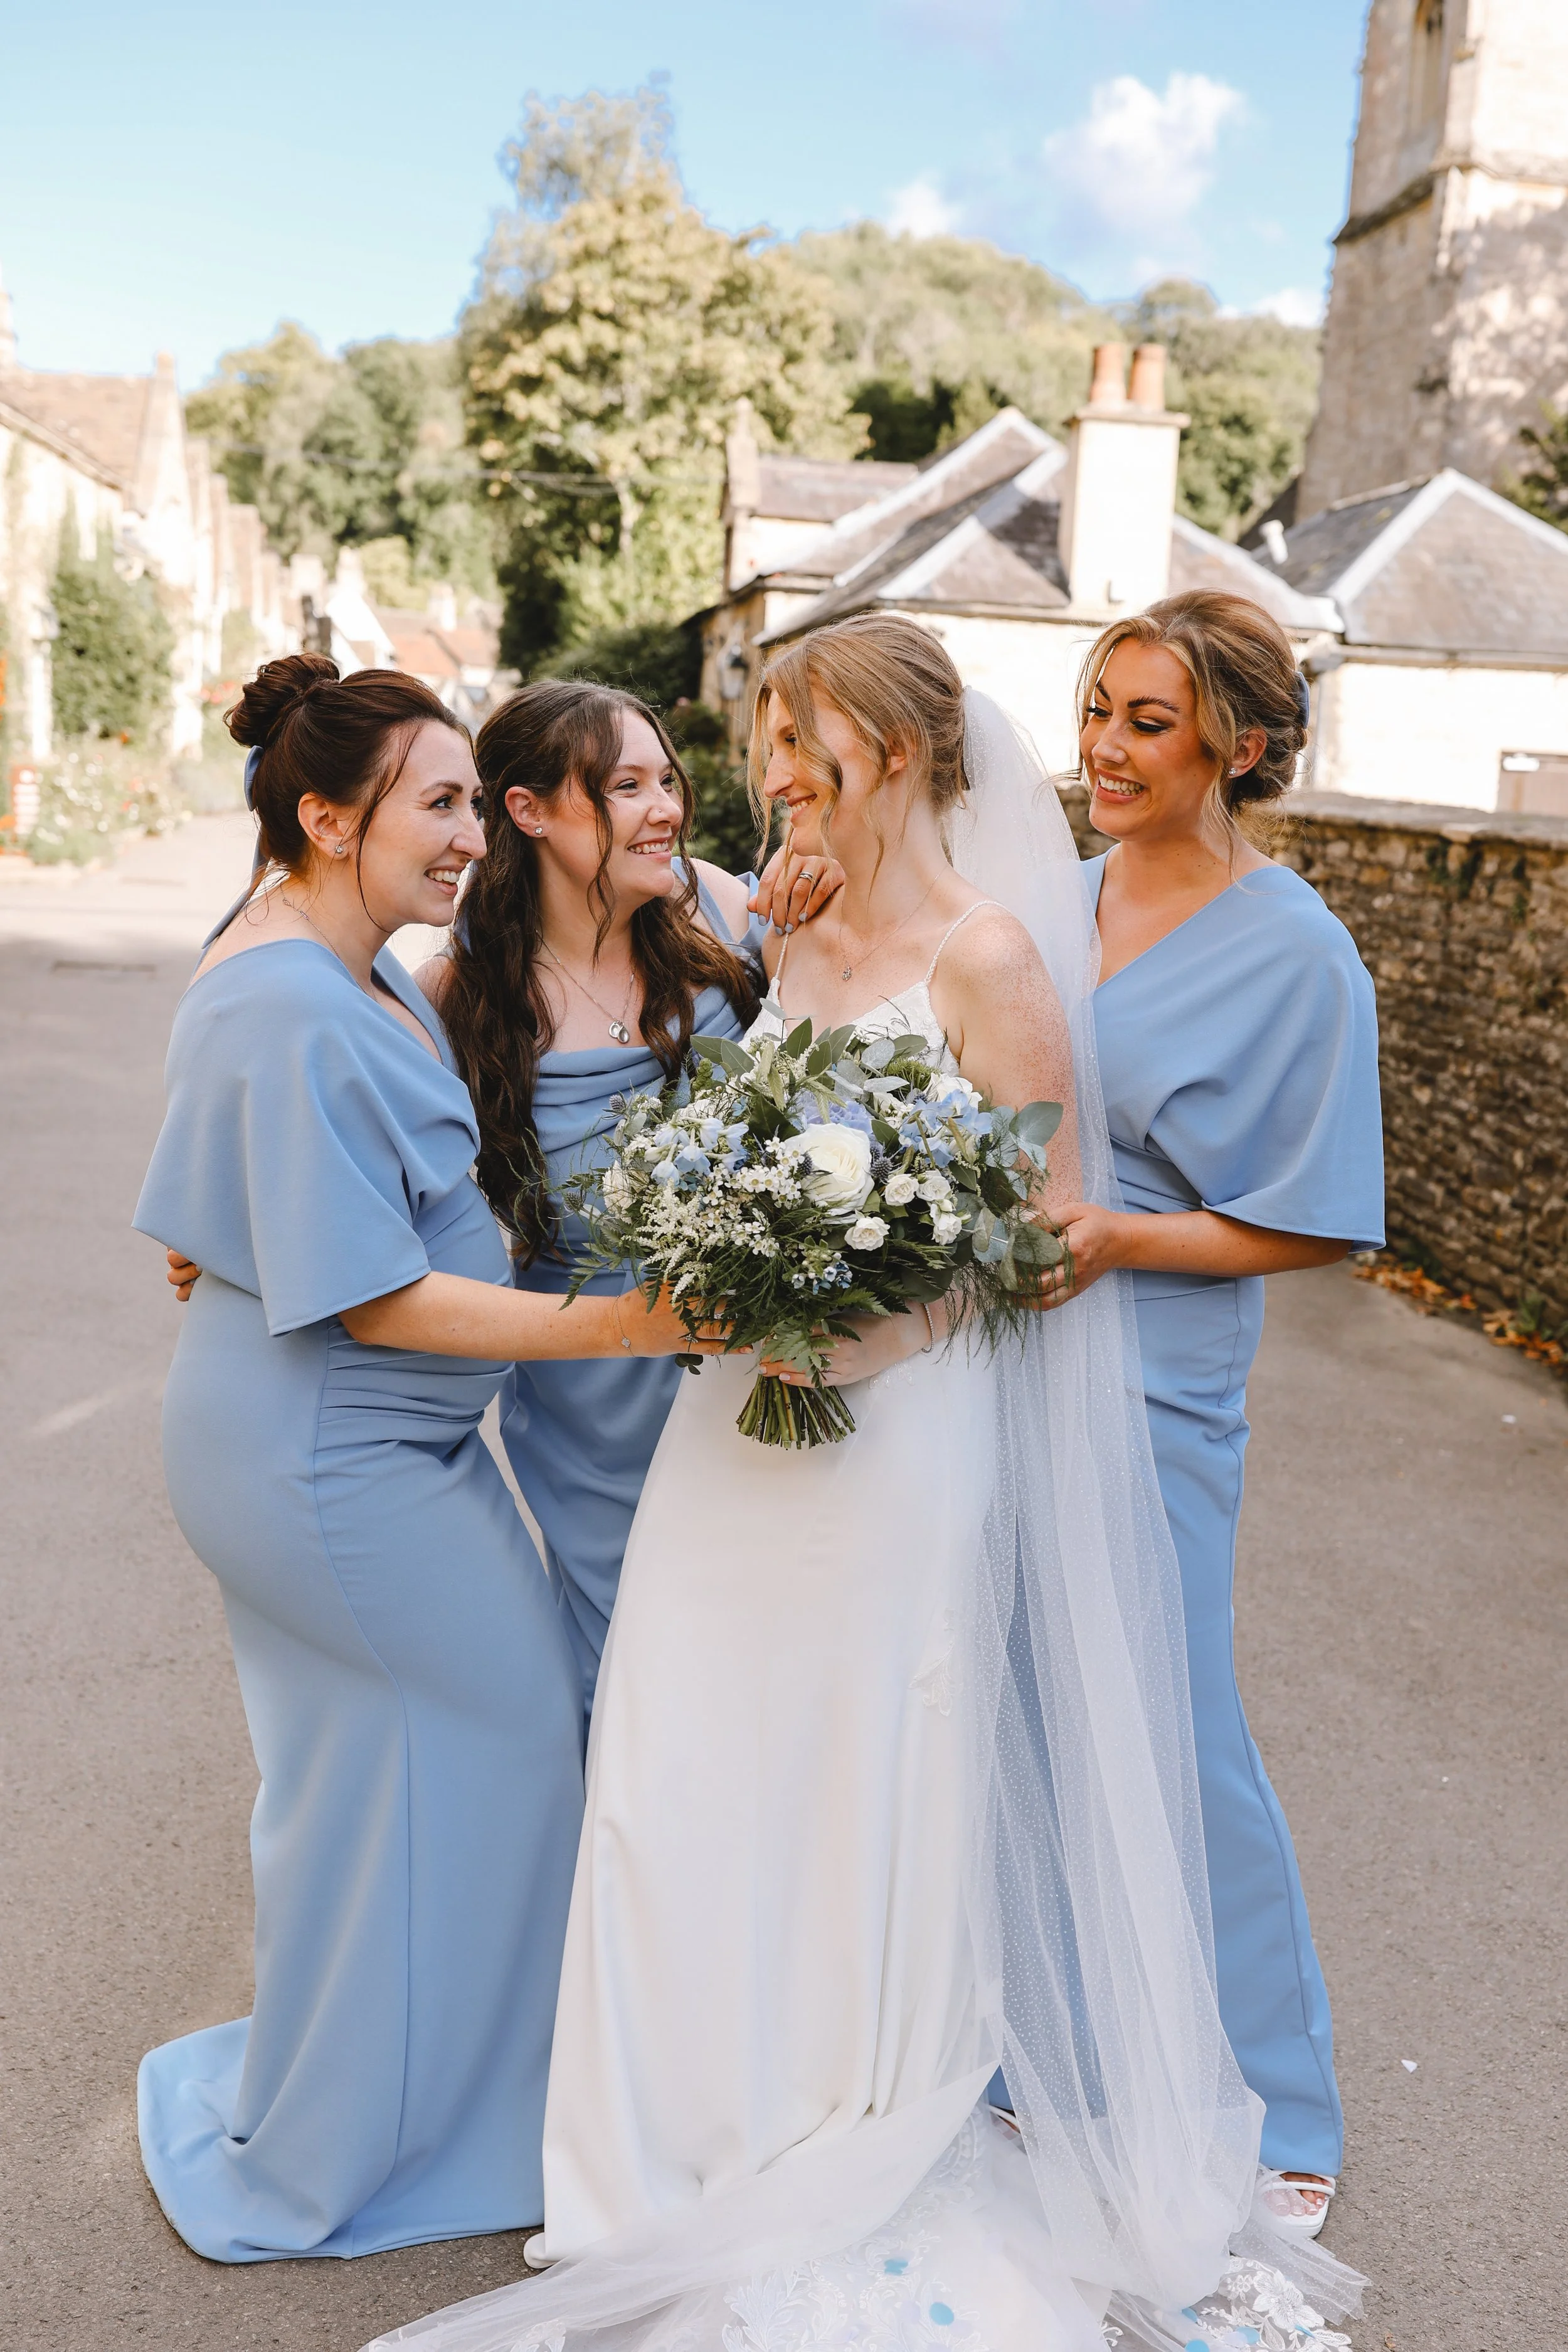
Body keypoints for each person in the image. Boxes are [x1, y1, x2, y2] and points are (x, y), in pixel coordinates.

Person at [366, 616, 1358, 2352]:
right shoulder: (778, 925)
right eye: (766, 741)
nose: (767, 771)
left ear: (891, 752)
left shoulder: (989, 958)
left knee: (868, 1763)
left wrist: (856, 1326)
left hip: (892, 1427)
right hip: (720, 1426)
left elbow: (1032, 1230)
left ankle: (846, 2122)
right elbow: (458, 960)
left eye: (797, 738)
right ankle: (655, 2147)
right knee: (674, 1752)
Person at [133, 655, 700, 2264]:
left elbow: (253, 1181)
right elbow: (373, 1294)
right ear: (324, 817)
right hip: (334, 1465)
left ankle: (370, 2101)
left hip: (340, 1450)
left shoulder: (341, 956)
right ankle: (384, 2142)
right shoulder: (283, 993)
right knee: (504, 1755)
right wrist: (623, 1327)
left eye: (472, 802)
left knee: (359, 1789)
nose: (470, 839)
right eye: (438, 807)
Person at [1052, 590, 1385, 2234]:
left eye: (1146, 722)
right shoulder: (1063, 890)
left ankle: (1272, 2098)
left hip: (1154, 1356)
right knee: (1017, 1702)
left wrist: (1118, 1235)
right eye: (1098, 708)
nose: (1103, 748)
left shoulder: (1295, 949)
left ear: (1235, 748)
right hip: (1002, 1348)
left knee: (1173, 1720)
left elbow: (1319, 1213)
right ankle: (1034, 2053)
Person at [428, 679, 835, 1720]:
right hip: (593, 1409)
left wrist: (834, 863)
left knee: (775, 1682)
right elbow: (342, 1133)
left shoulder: (727, 908)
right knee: (635, 1696)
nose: (666, 808)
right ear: (528, 809)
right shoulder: (457, 996)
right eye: (625, 785)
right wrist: (229, 1240)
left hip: (758, 1372)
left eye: (667, 781)